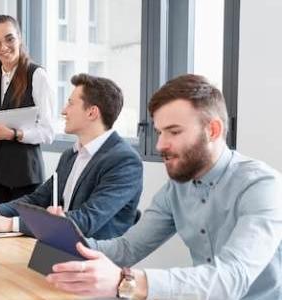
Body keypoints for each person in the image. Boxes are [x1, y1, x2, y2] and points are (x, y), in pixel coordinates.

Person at [46, 74, 282, 299]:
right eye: (159, 132)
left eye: (174, 131)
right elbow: (127, 248)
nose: (160, 145)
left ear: (213, 130)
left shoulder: (261, 186)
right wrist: (66, 237)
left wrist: (125, 281)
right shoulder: (176, 189)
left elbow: (232, 278)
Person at [0, 73, 143, 240]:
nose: (64, 111)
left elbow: (87, 220)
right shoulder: (70, 155)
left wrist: (10, 224)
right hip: (60, 247)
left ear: (92, 113)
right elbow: (37, 199)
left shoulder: (124, 161)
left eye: (70, 104)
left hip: (95, 259)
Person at [0, 15, 55, 208]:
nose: (3, 47)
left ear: (19, 38)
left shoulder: (37, 75)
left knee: (23, 234)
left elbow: (48, 132)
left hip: (23, 175)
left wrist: (14, 134)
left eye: (9, 39)